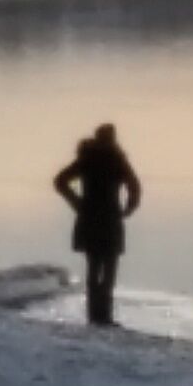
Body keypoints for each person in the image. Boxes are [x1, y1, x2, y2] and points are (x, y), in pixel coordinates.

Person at [55, 124, 141, 326]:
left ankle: (95, 315)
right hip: (109, 218)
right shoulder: (116, 158)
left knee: (95, 267)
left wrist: (77, 202)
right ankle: (103, 315)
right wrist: (129, 207)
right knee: (108, 268)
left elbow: (60, 181)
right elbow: (134, 186)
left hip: (91, 217)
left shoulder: (88, 158)